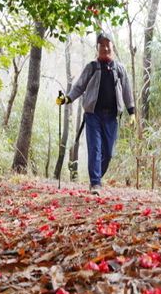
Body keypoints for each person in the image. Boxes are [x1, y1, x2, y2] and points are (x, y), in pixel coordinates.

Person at [56, 32, 135, 195]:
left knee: (109, 152)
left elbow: (127, 90)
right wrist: (66, 99)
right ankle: (95, 183)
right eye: (101, 45)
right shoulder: (91, 67)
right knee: (95, 148)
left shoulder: (119, 69)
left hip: (112, 117)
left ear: (112, 47)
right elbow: (79, 86)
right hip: (93, 115)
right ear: (97, 48)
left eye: (108, 44)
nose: (105, 48)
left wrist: (132, 111)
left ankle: (96, 177)